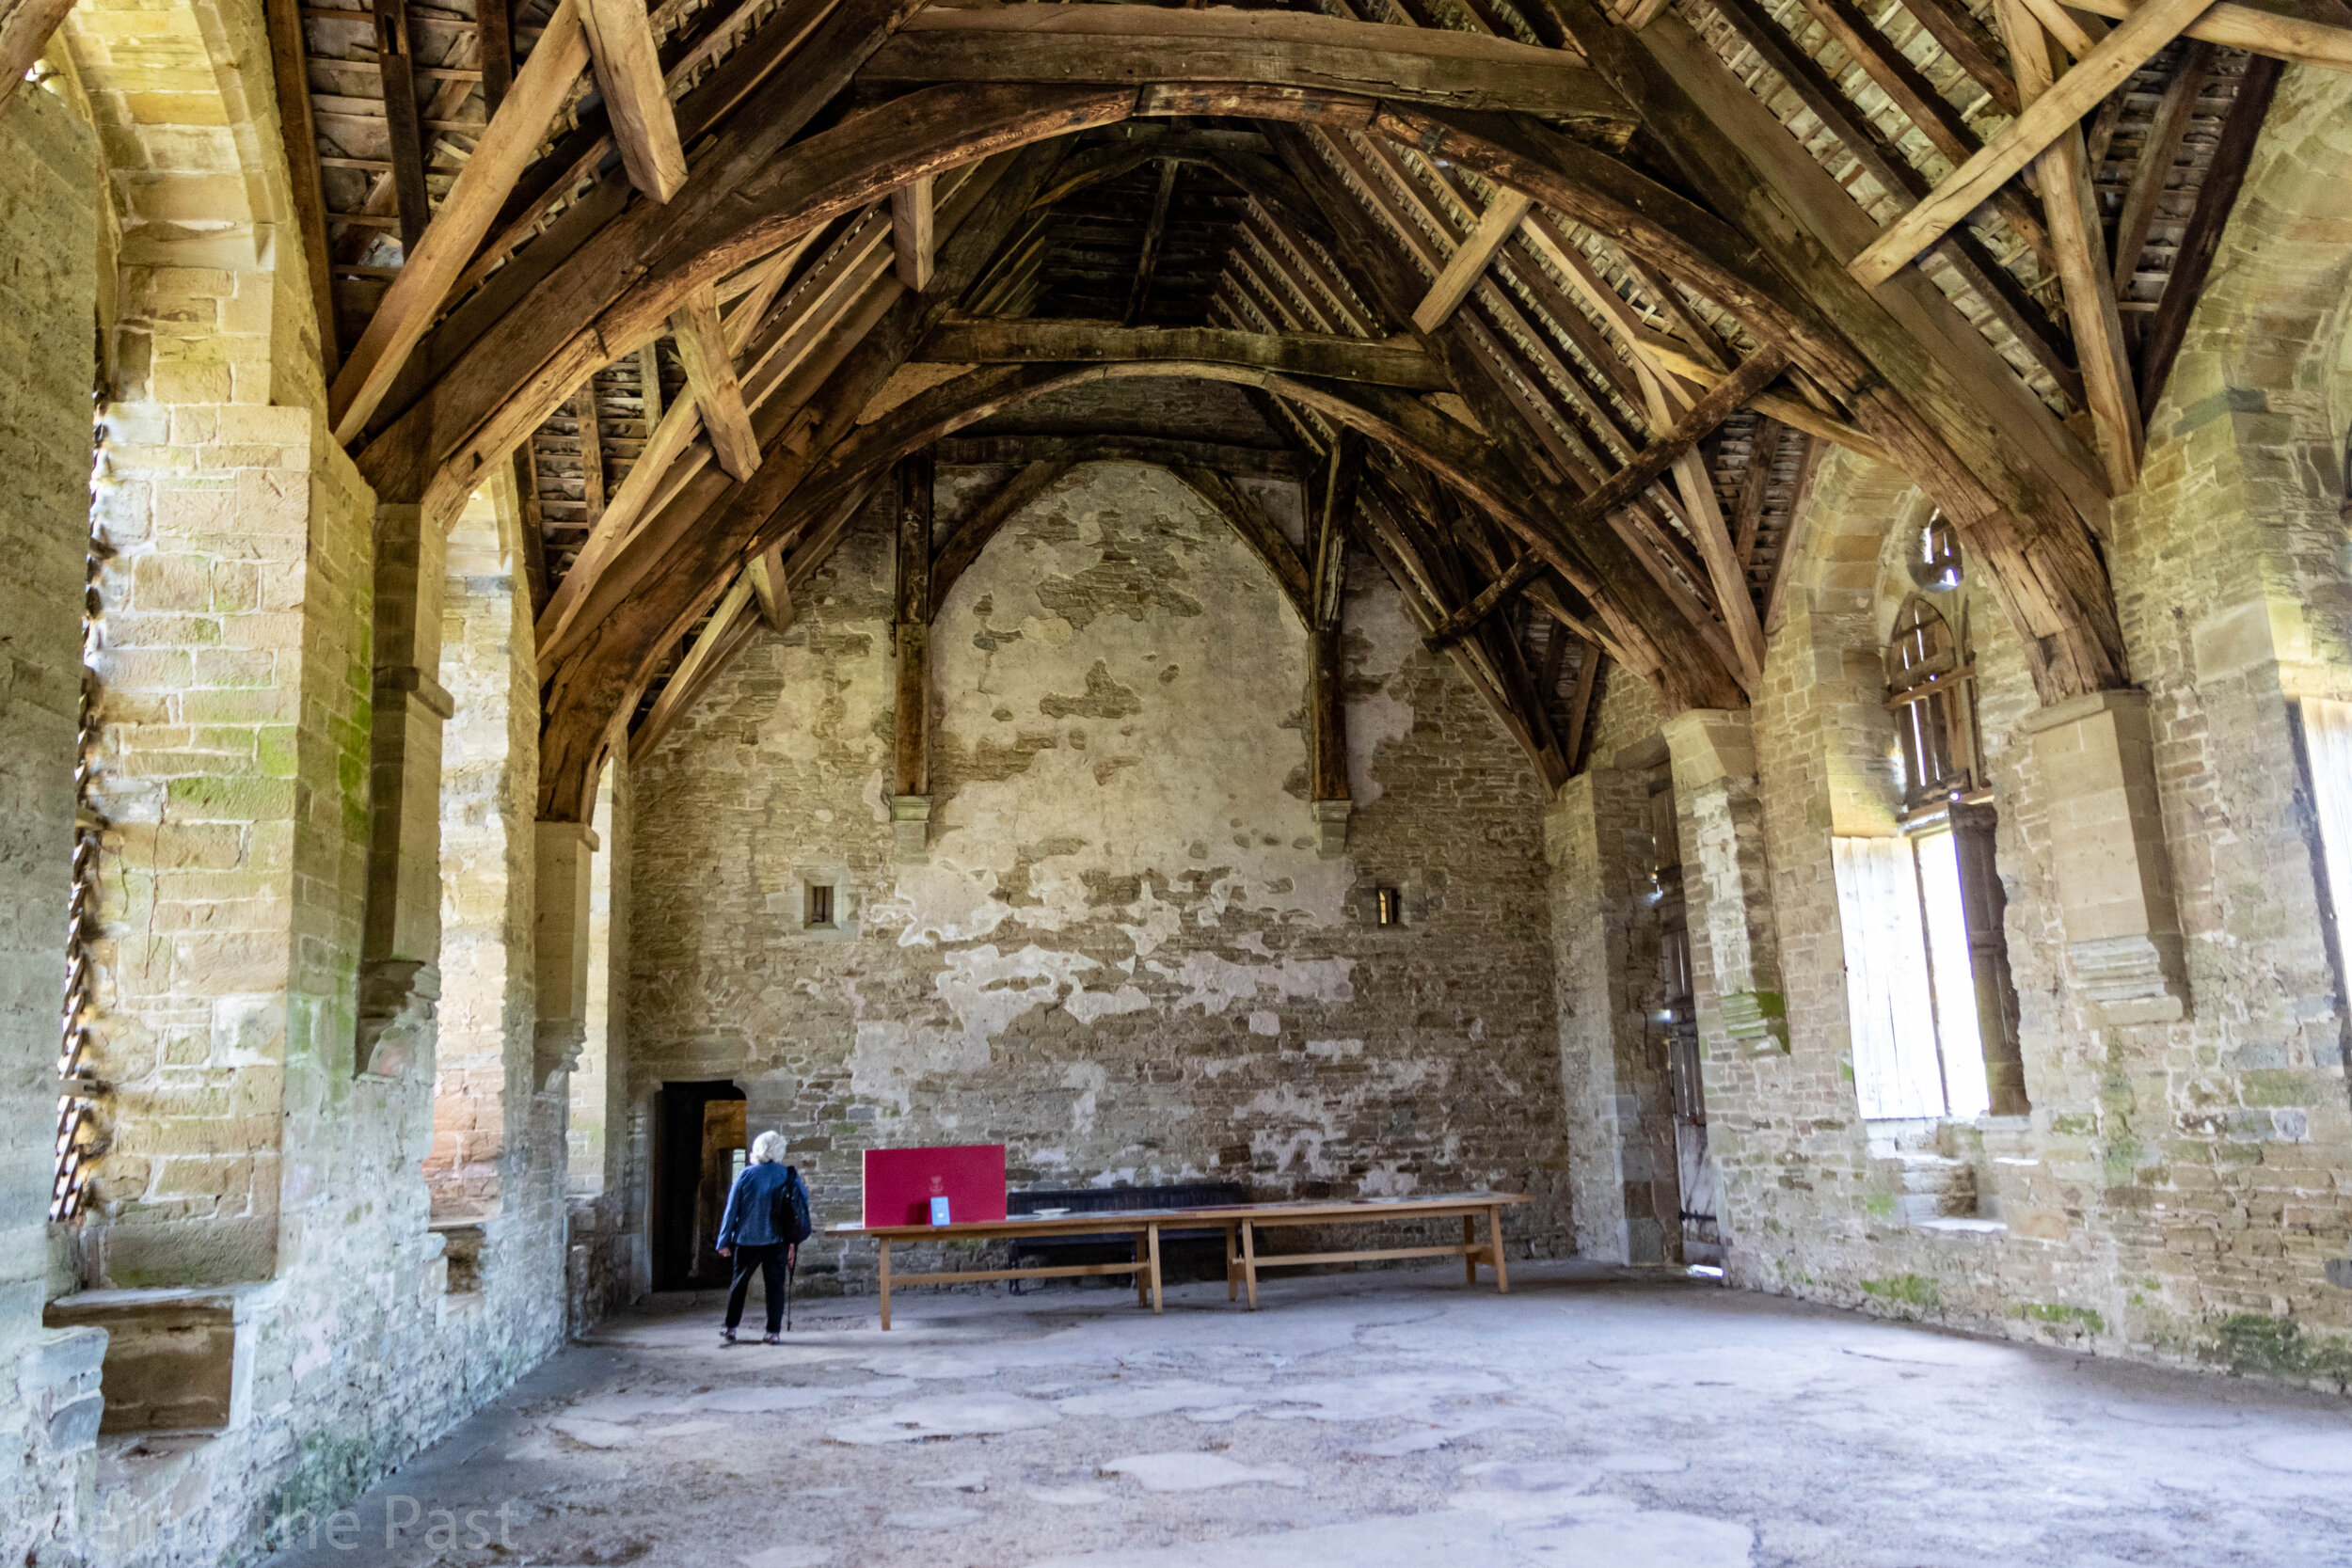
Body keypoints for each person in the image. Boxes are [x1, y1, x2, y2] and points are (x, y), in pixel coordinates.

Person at [715, 1132, 810, 1343]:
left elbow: (731, 1210)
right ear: (779, 1150)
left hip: (747, 1239)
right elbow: (801, 1207)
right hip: (777, 1240)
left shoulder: (745, 1175)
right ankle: (773, 1332)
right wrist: (793, 1240)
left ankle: (730, 1328)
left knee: (739, 1285)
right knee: (775, 1286)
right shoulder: (788, 1175)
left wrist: (724, 1241)